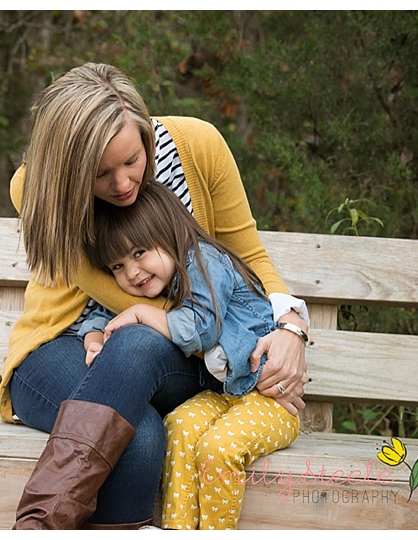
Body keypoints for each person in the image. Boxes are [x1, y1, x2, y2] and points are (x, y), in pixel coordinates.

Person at [0, 62, 310, 530]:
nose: (123, 184)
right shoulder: (37, 185)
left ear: (146, 133)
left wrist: (290, 328)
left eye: (132, 161)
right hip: (65, 347)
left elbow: (247, 257)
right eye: (101, 174)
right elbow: (110, 289)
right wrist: (108, 329)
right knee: (140, 439)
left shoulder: (199, 147)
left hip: (175, 353)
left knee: (138, 341)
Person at [78, 181, 300, 529]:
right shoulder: (161, 283)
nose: (131, 272)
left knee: (217, 449)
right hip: (226, 397)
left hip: (271, 401)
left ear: (170, 233)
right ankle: (178, 530)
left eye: (139, 253)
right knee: (178, 427)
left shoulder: (203, 261)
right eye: (117, 267)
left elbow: (199, 329)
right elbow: (103, 315)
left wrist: (137, 313)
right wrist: (95, 337)